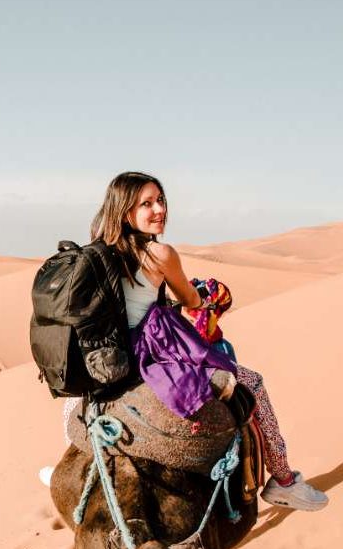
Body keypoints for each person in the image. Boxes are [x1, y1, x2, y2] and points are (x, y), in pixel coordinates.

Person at [89, 170, 328, 512]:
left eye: (161, 200)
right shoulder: (159, 254)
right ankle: (284, 481)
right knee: (253, 384)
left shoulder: (99, 252)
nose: (159, 210)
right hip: (151, 352)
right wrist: (204, 298)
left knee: (81, 403)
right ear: (127, 212)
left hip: (109, 355)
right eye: (147, 204)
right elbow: (189, 299)